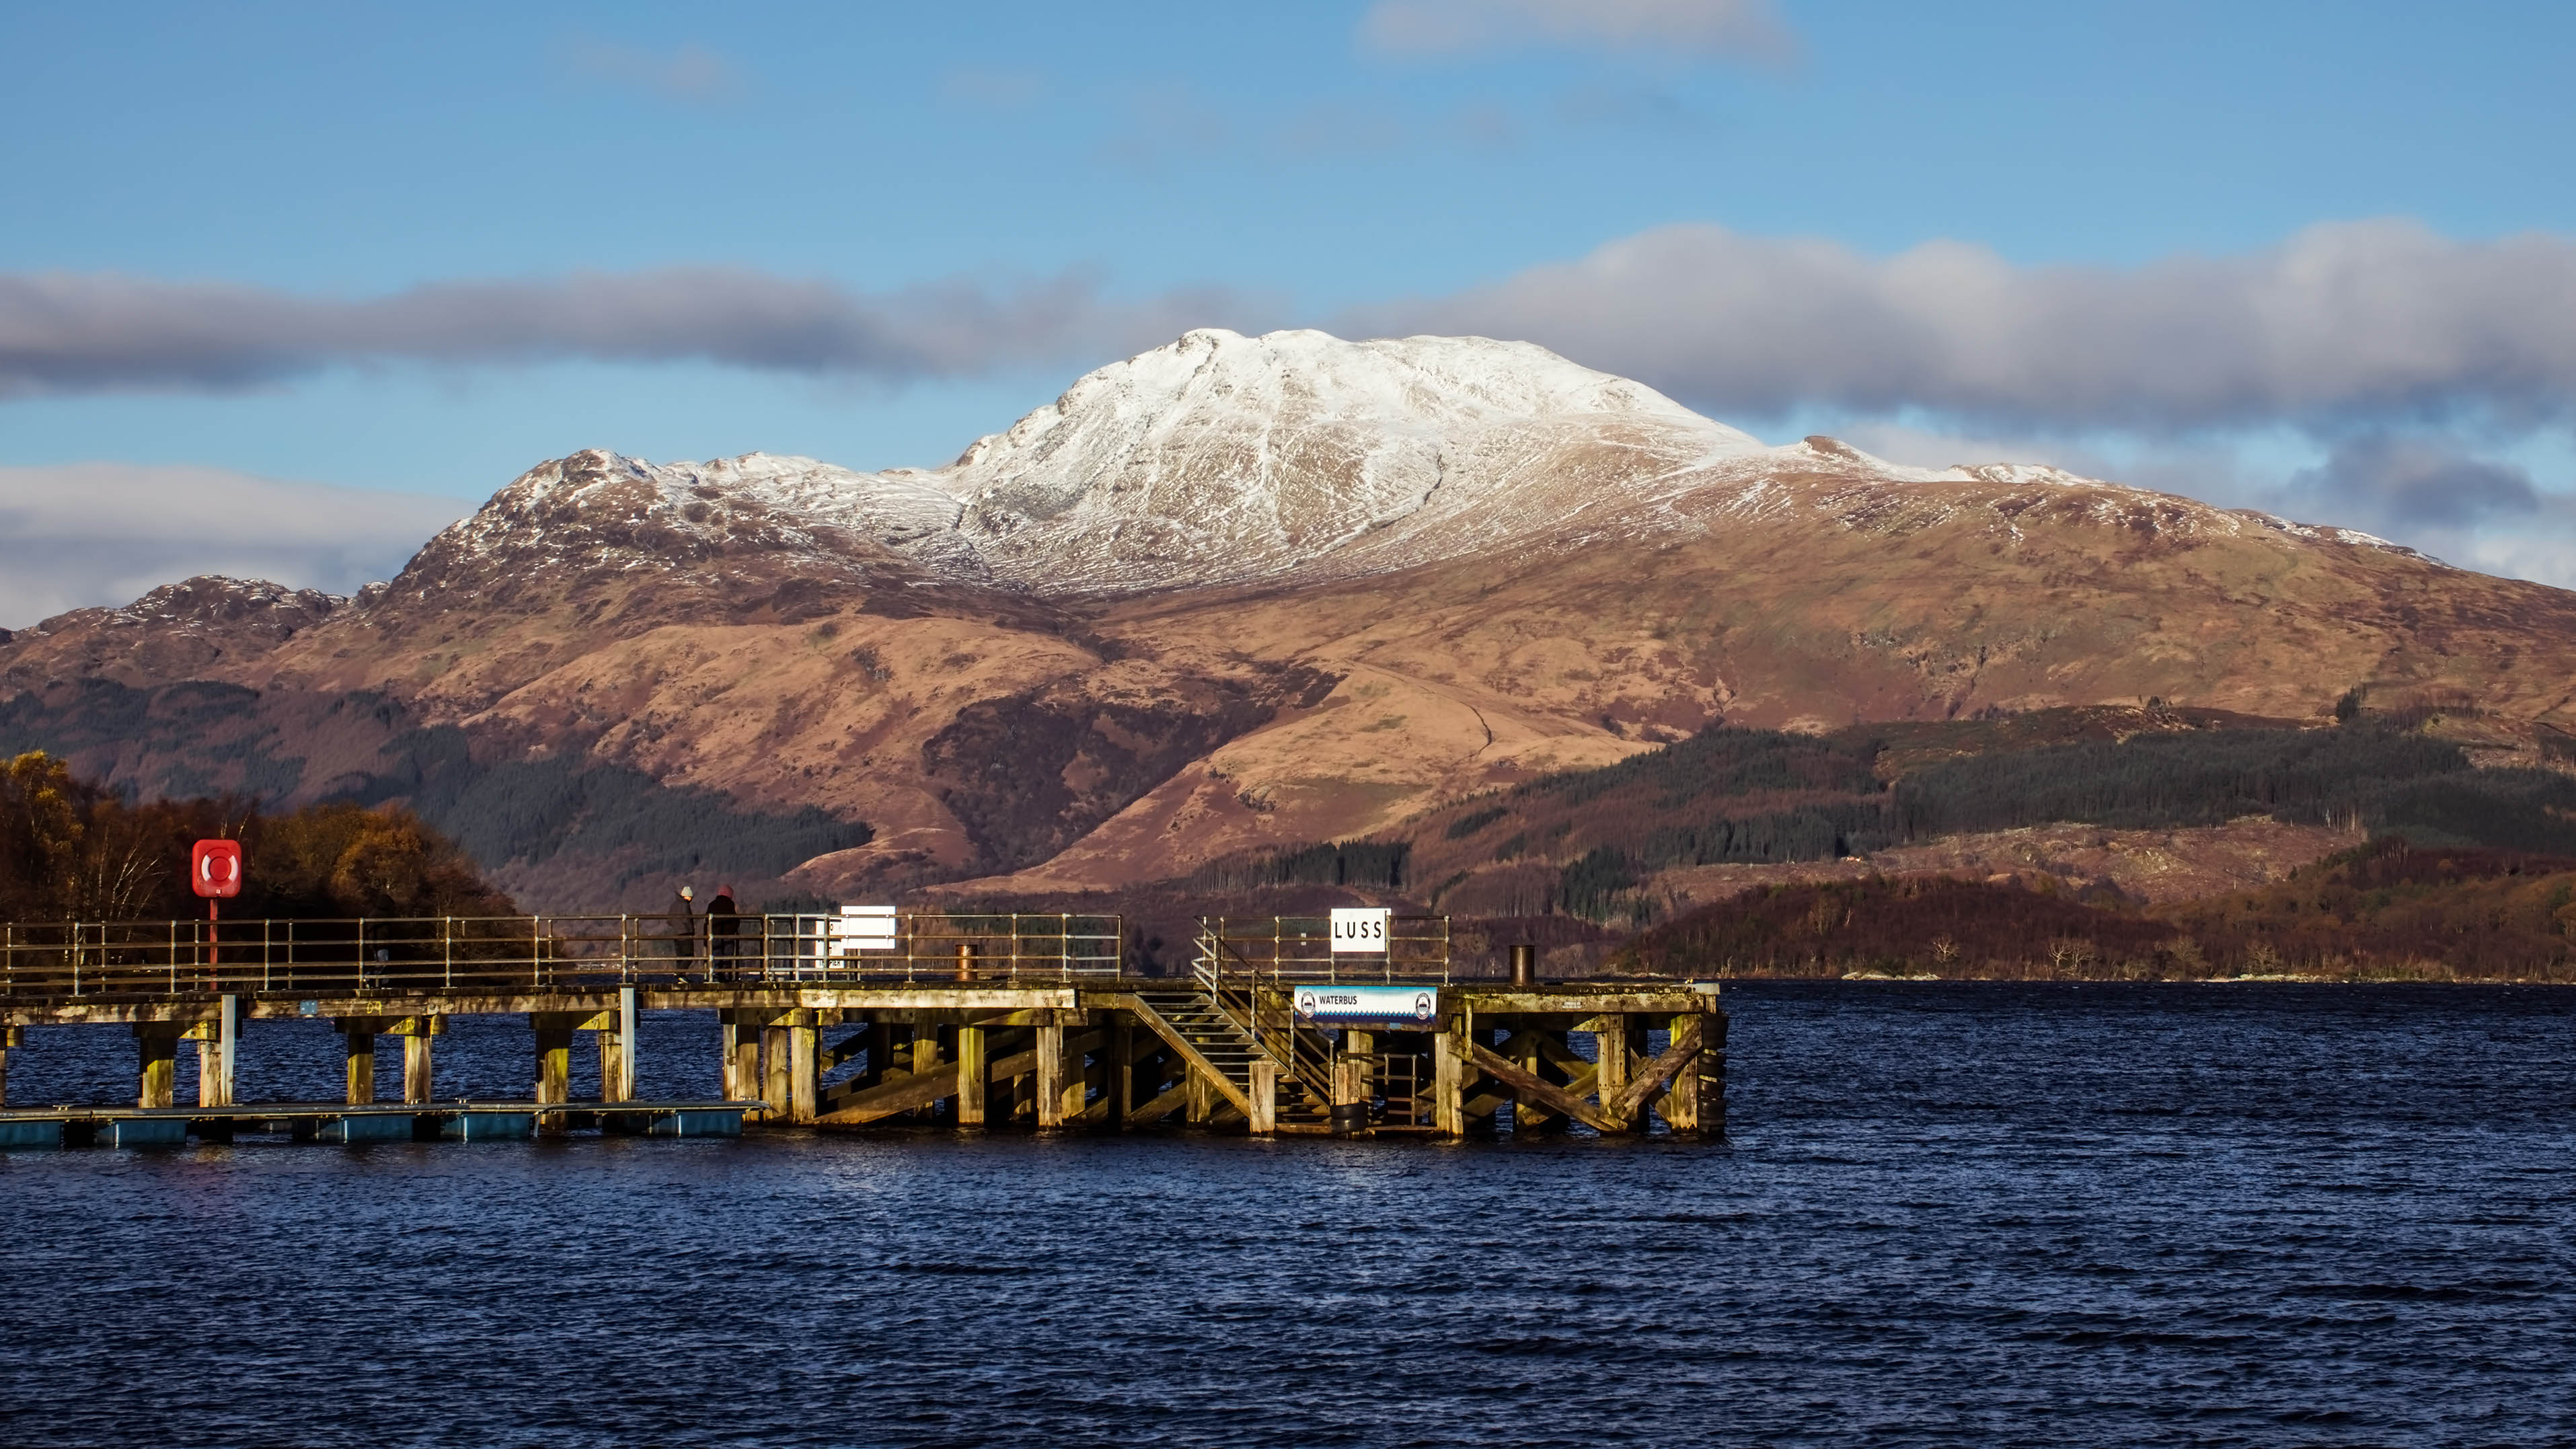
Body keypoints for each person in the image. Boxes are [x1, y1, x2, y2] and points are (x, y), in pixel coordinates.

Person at [706, 884, 741, 980]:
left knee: (716, 956)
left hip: (715, 934)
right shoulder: (732, 905)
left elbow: (707, 920)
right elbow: (736, 920)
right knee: (727, 957)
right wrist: (734, 929)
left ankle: (716, 975)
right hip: (729, 935)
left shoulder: (712, 904)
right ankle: (727, 976)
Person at [665, 884, 697, 981]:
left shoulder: (674, 905)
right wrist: (692, 931)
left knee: (680, 956)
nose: (691, 899)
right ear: (688, 896)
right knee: (689, 955)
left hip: (676, 933)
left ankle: (681, 976)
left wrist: (676, 925)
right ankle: (679, 973)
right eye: (691, 897)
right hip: (685, 933)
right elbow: (688, 919)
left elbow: (668, 920)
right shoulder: (685, 905)